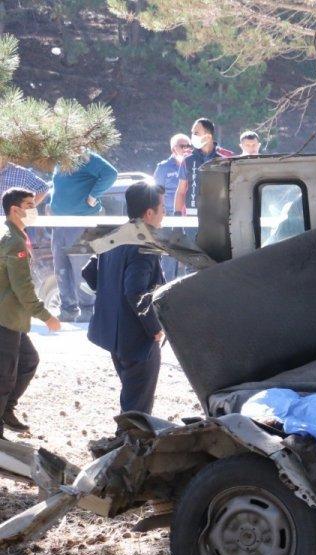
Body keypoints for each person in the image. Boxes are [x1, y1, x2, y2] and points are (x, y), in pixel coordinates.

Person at [82, 181, 166, 416]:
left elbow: (89, 273)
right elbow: (135, 292)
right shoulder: (143, 244)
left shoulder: (115, 236)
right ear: (149, 213)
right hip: (137, 337)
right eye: (163, 208)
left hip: (113, 334)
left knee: (131, 395)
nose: (165, 214)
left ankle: (127, 440)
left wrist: (111, 296)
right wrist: (155, 328)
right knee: (137, 407)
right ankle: (128, 444)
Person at [0, 188, 62, 437]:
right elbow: (23, 289)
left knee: (28, 361)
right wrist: (46, 316)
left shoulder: (12, 234)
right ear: (15, 210)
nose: (33, 209)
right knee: (5, 377)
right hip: (7, 319)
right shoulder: (14, 241)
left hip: (11, 317)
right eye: (28, 205)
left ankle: (7, 410)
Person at [49, 150, 117, 323]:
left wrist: (93, 197)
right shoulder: (61, 157)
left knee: (81, 268)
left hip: (81, 223)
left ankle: (88, 309)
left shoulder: (85, 156)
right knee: (61, 268)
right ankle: (68, 309)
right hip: (60, 223)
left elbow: (111, 174)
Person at [153, 134, 191, 281]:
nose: (187, 149)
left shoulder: (192, 164)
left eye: (189, 146)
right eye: (183, 146)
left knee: (190, 253)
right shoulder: (163, 167)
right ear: (173, 149)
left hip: (189, 216)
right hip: (169, 216)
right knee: (169, 255)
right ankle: (167, 286)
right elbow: (156, 192)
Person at [175, 118, 232, 215]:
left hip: (217, 216)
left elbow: (230, 191)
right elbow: (180, 191)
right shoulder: (187, 160)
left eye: (196, 133)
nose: (193, 136)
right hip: (192, 215)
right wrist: (177, 216)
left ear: (208, 136)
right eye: (192, 133)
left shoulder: (223, 161)